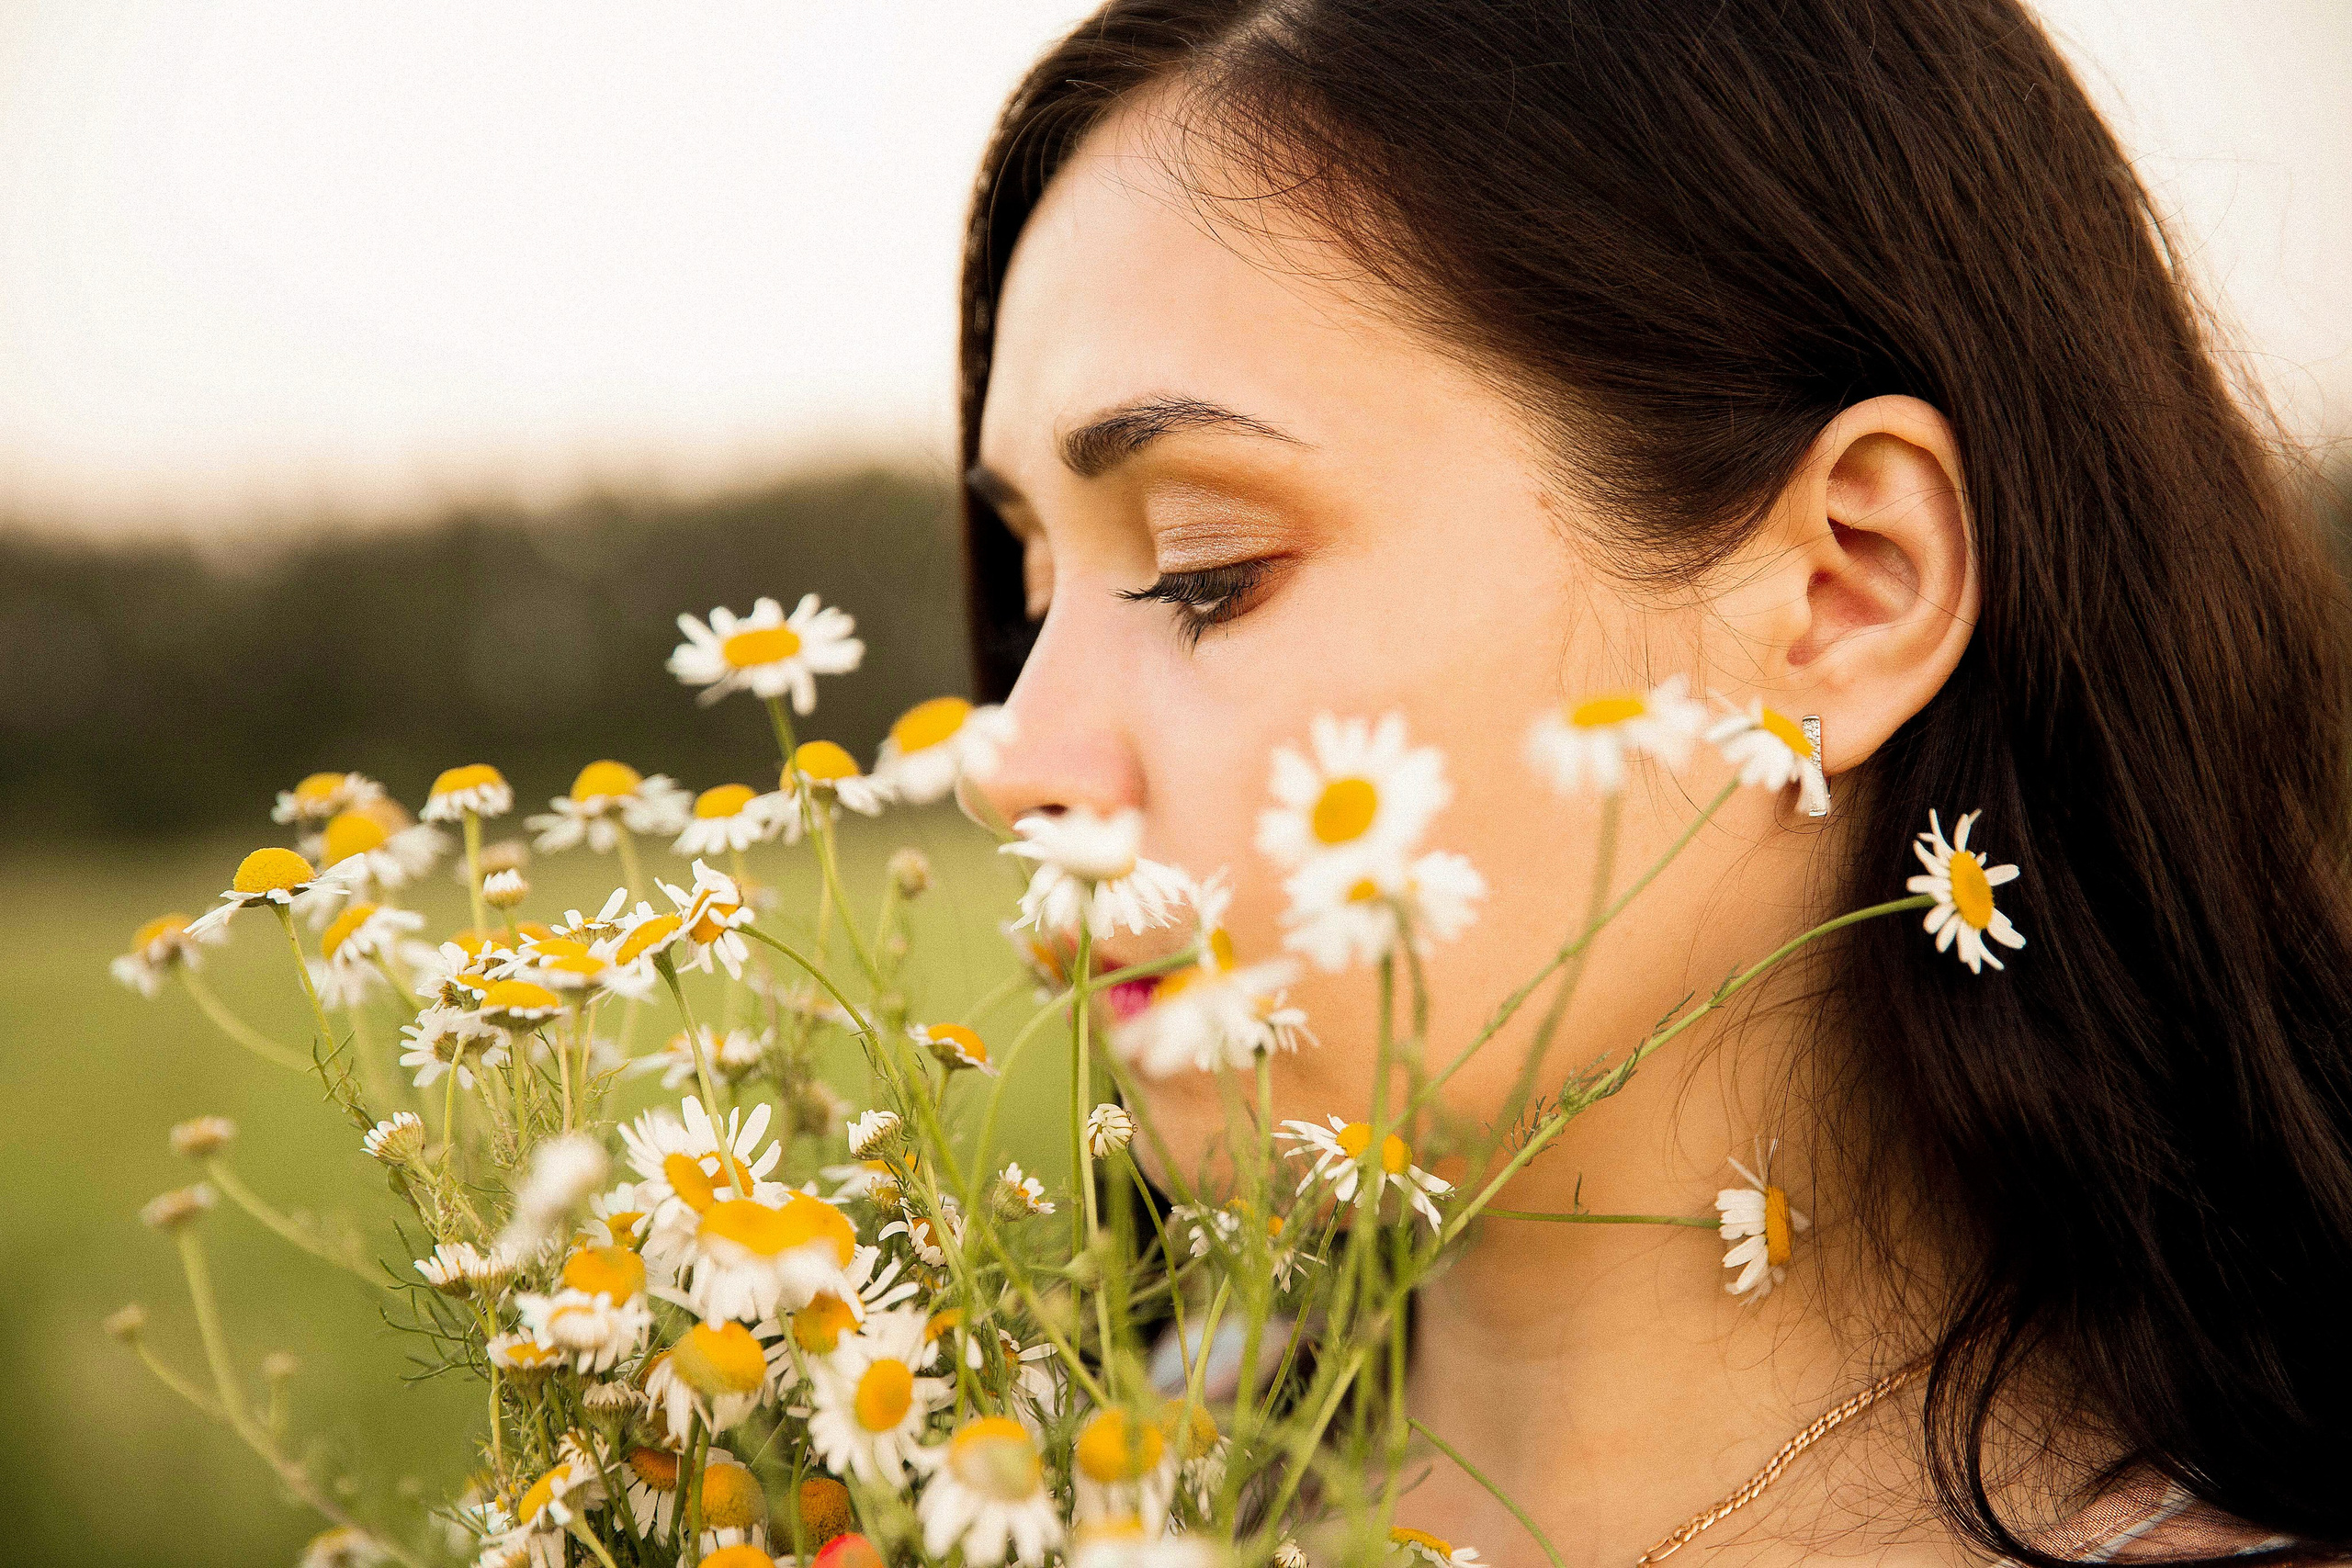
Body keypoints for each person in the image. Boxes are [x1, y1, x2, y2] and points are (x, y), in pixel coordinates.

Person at [955, 3, 2352, 1564]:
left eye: (1204, 568)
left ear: (1848, 592)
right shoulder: (1001, 1482)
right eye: (1028, 592)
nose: (1012, 758)